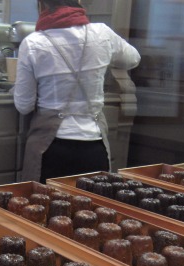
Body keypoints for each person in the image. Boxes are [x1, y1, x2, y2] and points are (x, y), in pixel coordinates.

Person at [13, 0, 141, 182]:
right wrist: (99, 58)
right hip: (94, 149)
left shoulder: (33, 43)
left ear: (42, 5)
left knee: (45, 207)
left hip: (50, 148)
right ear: (78, 2)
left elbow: (24, 105)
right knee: (92, 208)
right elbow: (133, 59)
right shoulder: (102, 33)